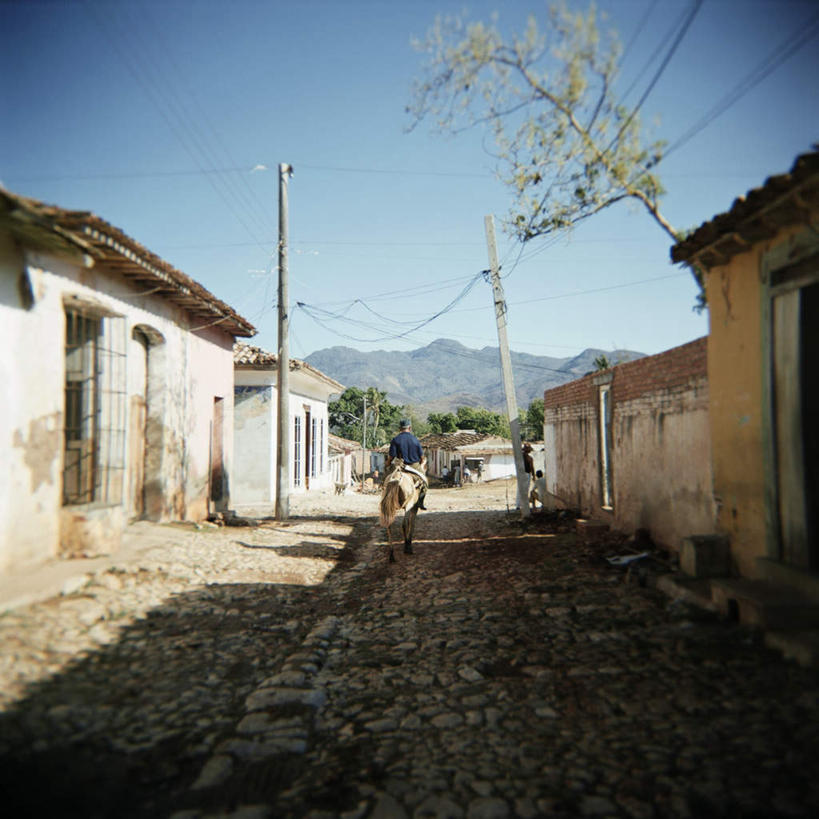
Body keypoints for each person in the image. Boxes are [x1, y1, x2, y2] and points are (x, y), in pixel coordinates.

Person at [386, 418, 427, 509]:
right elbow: (422, 457)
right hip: (414, 466)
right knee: (424, 481)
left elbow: (391, 456)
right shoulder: (415, 440)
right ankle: (421, 502)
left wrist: (387, 464)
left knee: (387, 479)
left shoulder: (395, 439)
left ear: (400, 428)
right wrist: (421, 463)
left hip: (400, 465)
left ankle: (384, 494)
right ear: (410, 428)